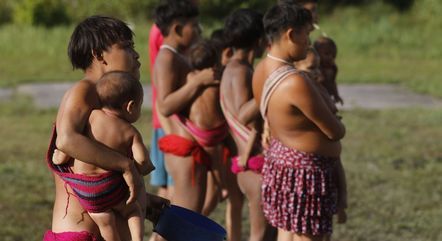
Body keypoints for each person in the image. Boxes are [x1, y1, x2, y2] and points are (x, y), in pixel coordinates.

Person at [43, 16, 169, 241]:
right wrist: (126, 165)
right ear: (99, 55)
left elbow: (91, 169)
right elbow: (67, 140)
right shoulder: (85, 90)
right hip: (80, 230)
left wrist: (144, 199)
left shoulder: (106, 100)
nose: (136, 55)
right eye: (127, 47)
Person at [252, 3, 346, 241]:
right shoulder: (295, 82)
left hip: (282, 166)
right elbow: (335, 131)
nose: (309, 42)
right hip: (306, 176)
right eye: (307, 34)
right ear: (291, 35)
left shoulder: (261, 69)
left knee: (287, 232)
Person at [52, 71, 154, 241]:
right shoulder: (129, 131)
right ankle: (138, 239)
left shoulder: (90, 117)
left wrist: (59, 157)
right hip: (109, 186)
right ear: (130, 106)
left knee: (105, 222)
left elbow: (71, 144)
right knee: (132, 210)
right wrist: (145, 167)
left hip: (87, 191)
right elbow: (142, 159)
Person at [153, 0, 217, 213]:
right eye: (194, 26)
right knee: (183, 217)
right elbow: (164, 105)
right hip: (183, 149)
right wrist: (198, 82)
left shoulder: (178, 55)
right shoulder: (167, 57)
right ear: (178, 29)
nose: (199, 31)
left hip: (189, 149)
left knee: (189, 215)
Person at [220, 9, 275, 241]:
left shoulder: (234, 68)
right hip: (253, 167)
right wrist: (271, 82)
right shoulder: (241, 71)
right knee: (260, 236)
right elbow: (243, 115)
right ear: (260, 40)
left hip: (249, 166)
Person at [294, 48, 348, 224]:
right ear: (296, 68)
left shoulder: (318, 88)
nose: (318, 73)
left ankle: (341, 204)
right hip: (309, 169)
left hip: (327, 165)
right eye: (311, 68)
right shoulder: (296, 92)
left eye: (318, 68)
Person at [313, 36, 343, 105]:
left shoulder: (333, 68)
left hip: (328, 97)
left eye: (333, 55)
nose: (330, 57)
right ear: (316, 54)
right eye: (326, 54)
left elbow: (333, 82)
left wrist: (336, 95)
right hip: (317, 97)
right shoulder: (315, 68)